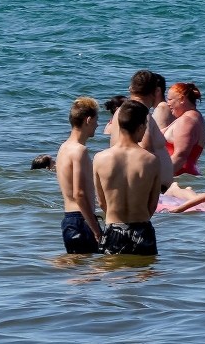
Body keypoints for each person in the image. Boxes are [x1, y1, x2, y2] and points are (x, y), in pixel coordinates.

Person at [95, 100, 161, 255]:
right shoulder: (151, 160)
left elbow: (102, 202)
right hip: (142, 230)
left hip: (113, 230)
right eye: (145, 125)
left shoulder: (100, 158)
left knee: (113, 277)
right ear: (140, 127)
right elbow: (152, 204)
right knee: (144, 276)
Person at [109, 70, 174, 193]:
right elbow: (145, 149)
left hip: (130, 183)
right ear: (155, 91)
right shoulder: (141, 114)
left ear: (130, 89)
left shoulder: (123, 111)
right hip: (147, 189)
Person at [56, 97, 102, 253]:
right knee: (88, 275)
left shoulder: (63, 148)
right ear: (88, 120)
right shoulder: (79, 151)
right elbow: (79, 194)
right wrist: (96, 229)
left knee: (78, 273)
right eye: (96, 120)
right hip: (81, 220)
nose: (98, 124)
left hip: (69, 220)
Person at [162, 82, 205, 176]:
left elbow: (180, 157)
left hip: (179, 176)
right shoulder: (194, 117)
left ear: (182, 99)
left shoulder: (186, 121)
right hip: (184, 175)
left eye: (170, 99)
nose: (168, 103)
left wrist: (158, 179)